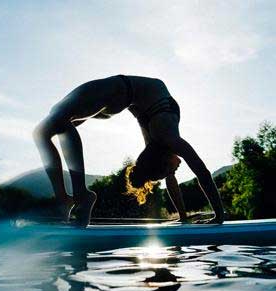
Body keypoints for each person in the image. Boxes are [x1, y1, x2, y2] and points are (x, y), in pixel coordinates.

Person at [32, 74, 224, 226]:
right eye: (171, 170)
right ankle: (68, 198)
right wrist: (219, 215)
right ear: (164, 159)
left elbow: (172, 179)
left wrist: (183, 217)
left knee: (57, 120)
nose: (176, 169)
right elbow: (202, 171)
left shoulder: (159, 142)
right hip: (119, 93)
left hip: (117, 94)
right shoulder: (167, 136)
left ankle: (74, 197)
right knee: (42, 132)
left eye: (172, 170)